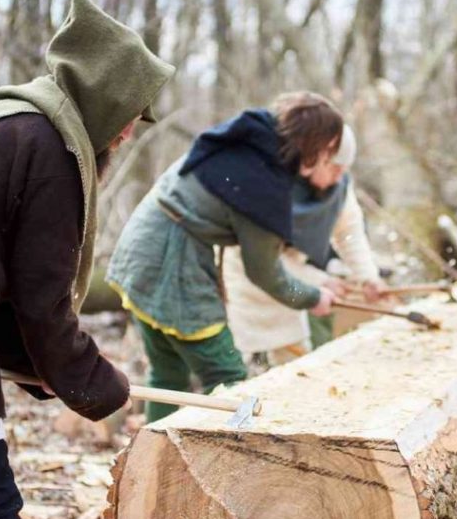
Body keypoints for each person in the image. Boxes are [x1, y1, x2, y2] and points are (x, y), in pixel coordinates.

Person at [0, 0, 175, 519]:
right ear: (102, 97)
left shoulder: (12, 122)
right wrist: (98, 384)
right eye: (128, 114)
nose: (128, 131)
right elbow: (42, 300)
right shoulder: (48, 148)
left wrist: (49, 371)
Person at [107, 92, 340, 422]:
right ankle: (239, 467)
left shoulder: (243, 142)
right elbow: (265, 273)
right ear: (316, 144)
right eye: (329, 149)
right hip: (171, 261)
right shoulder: (261, 184)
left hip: (141, 241)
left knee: (168, 374)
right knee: (228, 375)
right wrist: (312, 297)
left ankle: (154, 467)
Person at [224, 125, 385, 367]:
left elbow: (349, 233)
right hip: (248, 288)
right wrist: (318, 281)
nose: (339, 176)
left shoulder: (337, 187)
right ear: (316, 158)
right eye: (335, 168)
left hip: (292, 290)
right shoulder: (270, 185)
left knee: (297, 367)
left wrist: (367, 277)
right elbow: (261, 262)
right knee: (244, 370)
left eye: (344, 169)